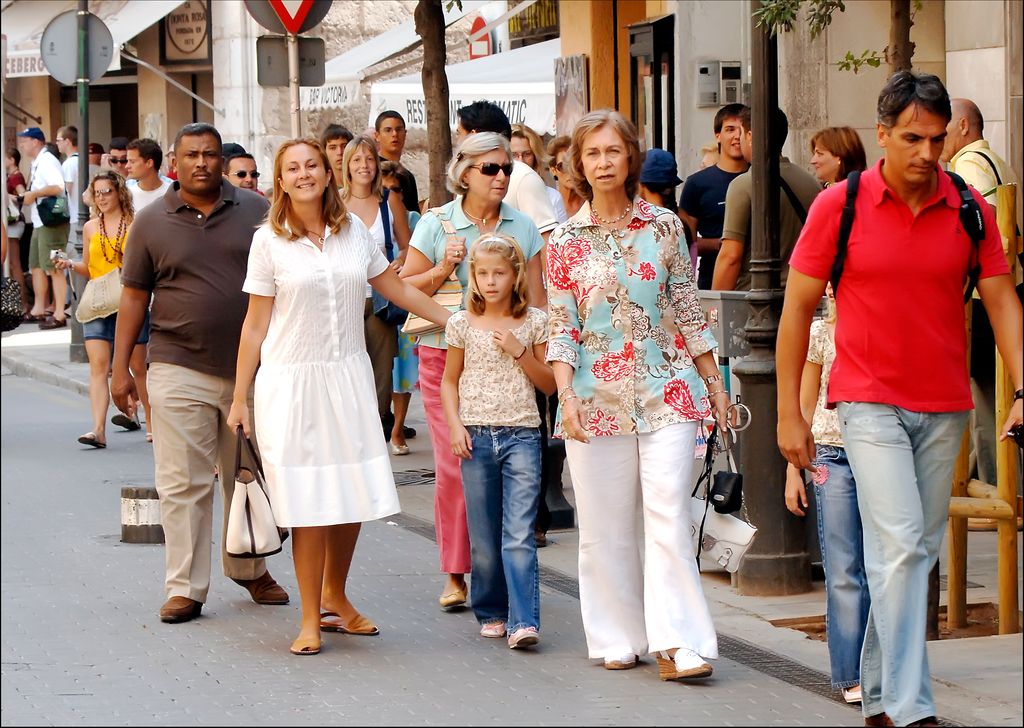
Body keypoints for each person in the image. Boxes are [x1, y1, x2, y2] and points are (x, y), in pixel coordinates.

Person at [777, 71, 1023, 727]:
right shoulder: (840, 206)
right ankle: (914, 707)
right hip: (867, 400)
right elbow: (796, 311)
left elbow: (1002, 301)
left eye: (938, 140)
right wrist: (789, 416)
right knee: (901, 543)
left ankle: (881, 696)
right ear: (881, 134)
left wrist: (1023, 386)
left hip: (945, 408)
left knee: (913, 553)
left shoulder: (970, 206)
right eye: (912, 138)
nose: (926, 153)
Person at [226, 137, 451, 656]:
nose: (304, 174)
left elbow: (396, 289)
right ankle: (308, 618)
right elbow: (254, 328)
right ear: (280, 181)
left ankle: (336, 597)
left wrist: (456, 320)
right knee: (309, 505)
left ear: (328, 174)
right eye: (293, 168)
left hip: (348, 377)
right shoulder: (269, 242)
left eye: (312, 165)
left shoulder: (353, 232)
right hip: (292, 384)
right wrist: (241, 399)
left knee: (349, 496)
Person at [546, 109, 728, 680]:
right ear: (580, 163)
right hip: (593, 395)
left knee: (669, 514)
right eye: (592, 154)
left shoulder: (666, 227)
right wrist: (565, 396)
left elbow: (686, 306)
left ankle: (679, 642)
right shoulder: (564, 241)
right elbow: (562, 325)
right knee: (604, 524)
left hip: (667, 388)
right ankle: (618, 633)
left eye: (612, 152)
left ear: (632, 159)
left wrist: (715, 383)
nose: (602, 163)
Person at [111, 122, 290, 624]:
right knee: (182, 483)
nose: (202, 163)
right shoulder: (151, 221)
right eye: (191, 155)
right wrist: (123, 369)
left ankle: (250, 568)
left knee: (251, 476)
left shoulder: (257, 210)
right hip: (177, 365)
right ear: (175, 161)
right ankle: (185, 587)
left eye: (210, 154)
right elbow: (132, 297)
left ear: (221, 158)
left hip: (251, 371)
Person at [401, 132, 545, 610]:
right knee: (454, 466)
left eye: (507, 167)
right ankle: (455, 572)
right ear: (464, 173)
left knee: (504, 465)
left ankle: (499, 571)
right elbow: (403, 288)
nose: (503, 176)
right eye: (491, 168)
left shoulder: (522, 225)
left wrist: (535, 349)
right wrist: (450, 297)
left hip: (508, 361)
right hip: (447, 353)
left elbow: (538, 301)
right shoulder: (437, 224)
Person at [441, 232, 554, 649]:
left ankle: (524, 621)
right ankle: (492, 611)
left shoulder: (535, 322)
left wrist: (520, 351)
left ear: (515, 276)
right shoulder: (460, 323)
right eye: (483, 273)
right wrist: (455, 426)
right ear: (473, 276)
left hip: (523, 435)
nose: (491, 282)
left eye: (499, 273)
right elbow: (448, 382)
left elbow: (548, 386)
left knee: (519, 533)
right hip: (476, 437)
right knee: (484, 536)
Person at [783, 288, 868, 706]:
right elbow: (804, 401)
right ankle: (850, 674)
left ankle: (879, 668)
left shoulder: (878, 327)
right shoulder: (819, 332)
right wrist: (792, 468)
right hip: (828, 456)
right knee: (842, 568)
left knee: (879, 567)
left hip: (874, 452)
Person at [940, 97, 1019, 498]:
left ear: (965, 126)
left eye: (946, 128)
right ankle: (984, 480)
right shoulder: (994, 159)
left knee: (987, 398)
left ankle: (993, 485)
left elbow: (978, 235)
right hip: (1000, 293)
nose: (941, 140)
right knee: (989, 394)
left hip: (981, 300)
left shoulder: (968, 165)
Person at [53, 171, 153, 447]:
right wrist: (70, 265)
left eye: (107, 191)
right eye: (97, 193)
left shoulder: (135, 224)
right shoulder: (90, 228)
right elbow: (89, 267)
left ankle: (153, 424)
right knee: (98, 366)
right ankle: (98, 430)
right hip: (98, 300)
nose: (102, 197)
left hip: (129, 300)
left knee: (137, 365)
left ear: (119, 192)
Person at [340, 134, 412, 440]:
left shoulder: (388, 199)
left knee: (382, 374)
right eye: (357, 160)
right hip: (346, 298)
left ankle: (376, 429)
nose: (364, 165)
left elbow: (409, 247)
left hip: (382, 300)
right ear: (347, 166)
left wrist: (399, 264)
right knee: (347, 371)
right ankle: (350, 432)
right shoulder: (337, 202)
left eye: (369, 159)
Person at [712, 106, 820, 291]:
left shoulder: (744, 185)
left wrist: (714, 311)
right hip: (803, 295)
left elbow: (730, 256)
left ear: (751, 136)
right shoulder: (811, 183)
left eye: (741, 133)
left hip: (752, 301)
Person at [456, 102, 558, 249]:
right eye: (489, 169)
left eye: (459, 133)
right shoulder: (468, 176)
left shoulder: (524, 177)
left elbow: (545, 243)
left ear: (473, 135)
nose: (501, 177)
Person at [678, 103, 749, 289]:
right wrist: (723, 245)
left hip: (757, 285)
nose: (736, 136)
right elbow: (687, 244)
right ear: (717, 135)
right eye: (730, 129)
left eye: (742, 130)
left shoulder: (763, 179)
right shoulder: (697, 184)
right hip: (712, 283)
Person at [381, 160, 420, 455]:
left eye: (396, 188)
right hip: (378, 297)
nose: (391, 193)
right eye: (386, 188)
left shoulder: (417, 220)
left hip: (403, 296)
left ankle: (397, 428)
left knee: (403, 367)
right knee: (385, 368)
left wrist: (403, 259)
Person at [17, 127, 69, 329]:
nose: (22, 144)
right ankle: (39, 307)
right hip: (42, 222)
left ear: (36, 141)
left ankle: (59, 313)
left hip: (53, 221)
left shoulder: (47, 161)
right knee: (37, 265)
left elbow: (58, 187)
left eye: (25, 140)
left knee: (56, 266)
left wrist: (34, 194)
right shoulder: (38, 161)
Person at [511, 123, 568, 224]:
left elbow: (558, 238)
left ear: (535, 157)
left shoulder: (552, 197)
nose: (521, 161)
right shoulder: (495, 195)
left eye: (527, 154)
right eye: (514, 155)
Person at [374, 111, 419, 214]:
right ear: (377, 136)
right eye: (388, 130)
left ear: (405, 133)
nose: (394, 134)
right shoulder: (372, 170)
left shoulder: (408, 176)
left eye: (398, 129)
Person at [5, 148, 30, 318]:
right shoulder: (13, 175)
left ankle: (23, 304)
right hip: (13, 224)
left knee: (14, 264)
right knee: (13, 264)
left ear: (12, 159)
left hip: (14, 223)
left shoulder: (15, 177)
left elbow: (23, 195)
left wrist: (5, 195)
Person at [127, 138, 171, 211]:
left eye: (132, 161)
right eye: (127, 161)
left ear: (149, 163)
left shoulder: (173, 192)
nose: (127, 166)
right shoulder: (126, 194)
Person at [546, 135, 583, 218]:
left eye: (575, 164)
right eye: (562, 166)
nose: (570, 171)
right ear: (553, 170)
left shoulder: (591, 203)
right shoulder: (549, 206)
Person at [55, 125, 81, 244]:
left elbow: (65, 192)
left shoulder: (69, 164)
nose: (57, 143)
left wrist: (56, 212)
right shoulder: (82, 160)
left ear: (67, 141)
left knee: (73, 251)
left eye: (59, 140)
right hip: (82, 214)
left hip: (74, 216)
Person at [321, 123, 354, 190]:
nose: (340, 152)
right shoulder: (322, 188)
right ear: (324, 151)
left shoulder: (362, 184)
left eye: (344, 146)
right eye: (333, 148)